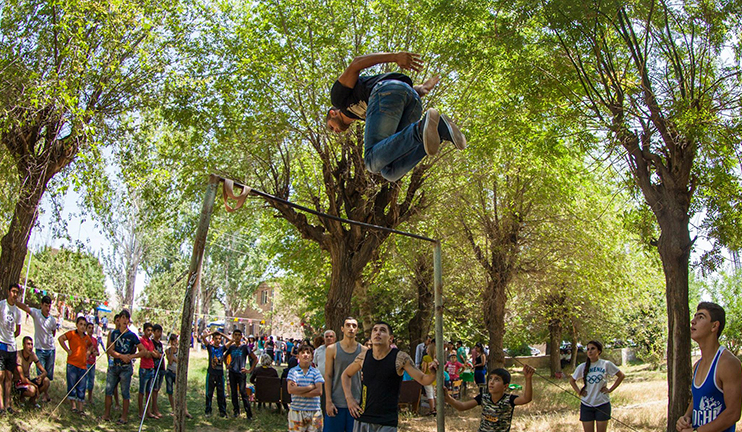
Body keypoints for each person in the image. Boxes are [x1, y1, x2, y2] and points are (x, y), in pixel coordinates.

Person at [326, 52, 466, 182]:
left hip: (387, 89)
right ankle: (440, 129)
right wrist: (421, 89)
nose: (335, 131)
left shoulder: (338, 99)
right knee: (390, 171)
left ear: (333, 113)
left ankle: (419, 129)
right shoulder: (365, 115)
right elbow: (400, 98)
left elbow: (356, 63)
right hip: (412, 99)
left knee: (370, 160)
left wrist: (395, 57)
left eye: (331, 127)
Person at [342, 321, 439, 431]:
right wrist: (349, 399)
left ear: (390, 338)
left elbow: (422, 379)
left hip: (387, 421)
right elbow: (346, 374)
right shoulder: (364, 357)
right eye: (375, 330)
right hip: (363, 418)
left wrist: (433, 373)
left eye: (382, 330)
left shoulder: (400, 358)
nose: (378, 333)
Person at [676, 302, 742, 432]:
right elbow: (698, 398)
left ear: (714, 326)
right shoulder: (698, 365)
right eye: (694, 316)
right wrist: (685, 418)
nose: (693, 321)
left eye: (700, 317)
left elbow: (733, 413)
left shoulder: (728, 364)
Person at [444, 365, 535, 431]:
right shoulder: (483, 397)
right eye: (490, 379)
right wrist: (448, 398)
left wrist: (528, 379)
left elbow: (526, 398)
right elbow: (462, 406)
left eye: (497, 379)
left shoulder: (509, 399)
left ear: (505, 386)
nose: (491, 382)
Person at [102, 309, 148, 424]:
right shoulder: (114, 334)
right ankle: (106, 414)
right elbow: (110, 350)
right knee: (109, 390)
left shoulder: (132, 336)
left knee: (125, 392)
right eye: (122, 318)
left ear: (128, 321)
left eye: (126, 318)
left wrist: (132, 356)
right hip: (114, 366)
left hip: (126, 368)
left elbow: (143, 351)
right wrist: (121, 356)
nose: (124, 320)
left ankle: (124, 417)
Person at [569, 340, 625, 432]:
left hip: (602, 403)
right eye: (588, 349)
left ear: (599, 351)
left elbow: (621, 376)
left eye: (593, 348)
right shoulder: (582, 366)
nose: (590, 351)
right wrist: (579, 392)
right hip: (586, 404)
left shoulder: (606, 364)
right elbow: (572, 380)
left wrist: (610, 390)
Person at [15, 294, 55, 403]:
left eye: (49, 306)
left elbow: (53, 332)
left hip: (50, 349)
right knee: (38, 377)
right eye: (45, 305)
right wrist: (15, 301)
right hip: (40, 348)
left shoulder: (52, 319)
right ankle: (26, 395)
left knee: (47, 377)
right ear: (41, 305)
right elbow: (25, 308)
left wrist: (43, 375)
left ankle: (39, 396)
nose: (47, 308)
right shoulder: (36, 313)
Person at [325, 318, 363, 432]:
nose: (351, 328)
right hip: (336, 403)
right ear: (342, 329)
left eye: (354, 326)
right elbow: (328, 376)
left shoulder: (364, 350)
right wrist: (328, 401)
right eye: (348, 325)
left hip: (356, 404)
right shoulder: (332, 349)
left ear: (357, 330)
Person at [58, 316, 93, 414]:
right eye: (80, 324)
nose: (82, 327)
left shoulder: (86, 338)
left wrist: (88, 352)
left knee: (82, 386)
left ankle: (80, 408)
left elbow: (91, 345)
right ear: (77, 325)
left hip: (82, 366)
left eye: (84, 325)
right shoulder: (72, 334)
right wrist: (67, 350)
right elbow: (61, 339)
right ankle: (73, 406)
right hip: (72, 364)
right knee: (72, 385)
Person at [287, 344, 324, 432]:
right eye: (303, 353)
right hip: (297, 410)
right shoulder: (293, 372)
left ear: (312, 356)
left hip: (314, 410)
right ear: (298, 356)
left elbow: (319, 391)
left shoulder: (316, 372)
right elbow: (290, 389)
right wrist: (311, 387)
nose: (305, 355)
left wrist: (299, 391)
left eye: (308, 353)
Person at [0, 283, 22, 414]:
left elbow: (17, 330)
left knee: (9, 375)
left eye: (17, 292)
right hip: (1, 343)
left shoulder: (17, 311)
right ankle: (1, 406)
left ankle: (8, 405)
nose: (15, 295)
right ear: (8, 292)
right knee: (0, 375)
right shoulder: (2, 305)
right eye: (13, 291)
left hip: (12, 346)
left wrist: (11, 338)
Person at [225, 329, 257, 419]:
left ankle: (249, 414)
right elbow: (224, 356)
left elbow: (255, 358)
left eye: (239, 335)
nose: (237, 337)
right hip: (232, 372)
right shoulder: (231, 347)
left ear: (241, 336)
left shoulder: (245, 347)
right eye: (235, 335)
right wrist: (227, 365)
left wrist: (250, 370)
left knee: (243, 393)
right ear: (233, 336)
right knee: (234, 393)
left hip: (241, 373)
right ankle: (236, 411)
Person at [16, 336, 49, 408]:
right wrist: (35, 386)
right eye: (28, 344)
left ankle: (32, 400)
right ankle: (19, 398)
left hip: (28, 381)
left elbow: (44, 371)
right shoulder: (18, 355)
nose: (30, 346)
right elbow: (22, 378)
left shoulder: (32, 355)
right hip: (18, 382)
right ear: (23, 345)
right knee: (32, 389)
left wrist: (41, 377)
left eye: (31, 344)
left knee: (46, 381)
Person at [164, 334, 192, 418]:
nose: (174, 343)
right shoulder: (167, 351)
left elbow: (180, 361)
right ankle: (174, 409)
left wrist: (174, 358)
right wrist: (172, 352)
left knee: (181, 390)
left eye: (175, 340)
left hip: (177, 373)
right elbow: (169, 362)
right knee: (170, 391)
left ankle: (185, 410)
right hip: (169, 372)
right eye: (172, 341)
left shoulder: (180, 351)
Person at [202, 330, 228, 417]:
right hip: (211, 373)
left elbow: (231, 341)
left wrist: (222, 334)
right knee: (209, 393)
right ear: (213, 339)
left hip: (220, 374)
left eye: (219, 339)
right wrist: (212, 333)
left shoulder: (222, 348)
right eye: (216, 338)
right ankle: (208, 411)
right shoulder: (210, 347)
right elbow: (203, 337)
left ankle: (222, 411)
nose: (218, 340)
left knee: (221, 394)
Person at [137, 322, 157, 419]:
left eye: (151, 330)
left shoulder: (151, 342)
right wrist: (151, 353)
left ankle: (148, 411)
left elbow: (156, 354)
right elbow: (146, 354)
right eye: (148, 330)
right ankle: (140, 412)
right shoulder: (141, 341)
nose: (150, 332)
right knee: (142, 391)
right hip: (144, 369)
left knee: (149, 391)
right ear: (144, 330)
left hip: (151, 368)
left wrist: (152, 353)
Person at [149, 324, 166, 419]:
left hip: (161, 368)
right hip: (154, 368)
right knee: (154, 389)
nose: (159, 334)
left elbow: (161, 355)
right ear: (154, 332)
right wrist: (159, 355)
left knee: (157, 389)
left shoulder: (160, 344)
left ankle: (154, 408)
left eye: (160, 332)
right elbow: (155, 354)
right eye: (157, 331)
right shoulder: (152, 343)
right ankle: (154, 409)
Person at [85, 322, 99, 406]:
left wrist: (95, 353)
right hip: (85, 362)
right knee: (84, 381)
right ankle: (82, 398)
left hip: (92, 363)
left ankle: (90, 398)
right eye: (89, 328)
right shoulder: (85, 339)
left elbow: (98, 352)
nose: (91, 330)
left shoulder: (95, 340)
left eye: (92, 328)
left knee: (91, 381)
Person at [421, 343, 438, 415]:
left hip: (427, 378)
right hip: (434, 378)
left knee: (429, 394)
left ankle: (432, 409)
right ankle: (436, 408)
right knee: (434, 394)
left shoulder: (426, 358)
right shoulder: (436, 358)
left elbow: (424, 369)